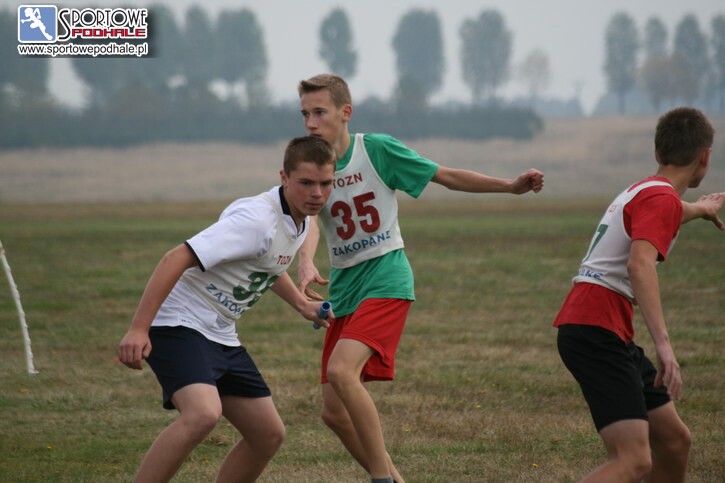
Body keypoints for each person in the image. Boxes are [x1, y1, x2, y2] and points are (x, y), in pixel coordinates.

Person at [295, 73, 545, 483]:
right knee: (333, 413)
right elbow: (309, 223)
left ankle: (380, 479)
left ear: (345, 112)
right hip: (344, 289)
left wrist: (509, 186)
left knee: (342, 372)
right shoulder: (313, 167)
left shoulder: (376, 150)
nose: (310, 123)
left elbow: (444, 175)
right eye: (305, 114)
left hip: (385, 279)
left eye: (319, 112)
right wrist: (305, 261)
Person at [117, 136, 336, 483]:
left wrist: (301, 304)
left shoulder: (301, 218)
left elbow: (268, 264)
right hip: (178, 323)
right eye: (306, 183)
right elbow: (175, 258)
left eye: (325, 184)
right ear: (284, 177)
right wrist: (138, 329)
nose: (317, 194)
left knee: (268, 434)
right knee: (203, 415)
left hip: (220, 333)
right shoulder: (256, 220)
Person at [553, 107, 724, 482]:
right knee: (633, 460)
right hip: (595, 328)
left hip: (599, 325)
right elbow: (639, 265)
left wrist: (702, 208)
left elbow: (674, 210)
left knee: (675, 441)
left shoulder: (646, 190)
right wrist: (664, 345)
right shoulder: (659, 199)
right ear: (705, 157)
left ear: (658, 151)